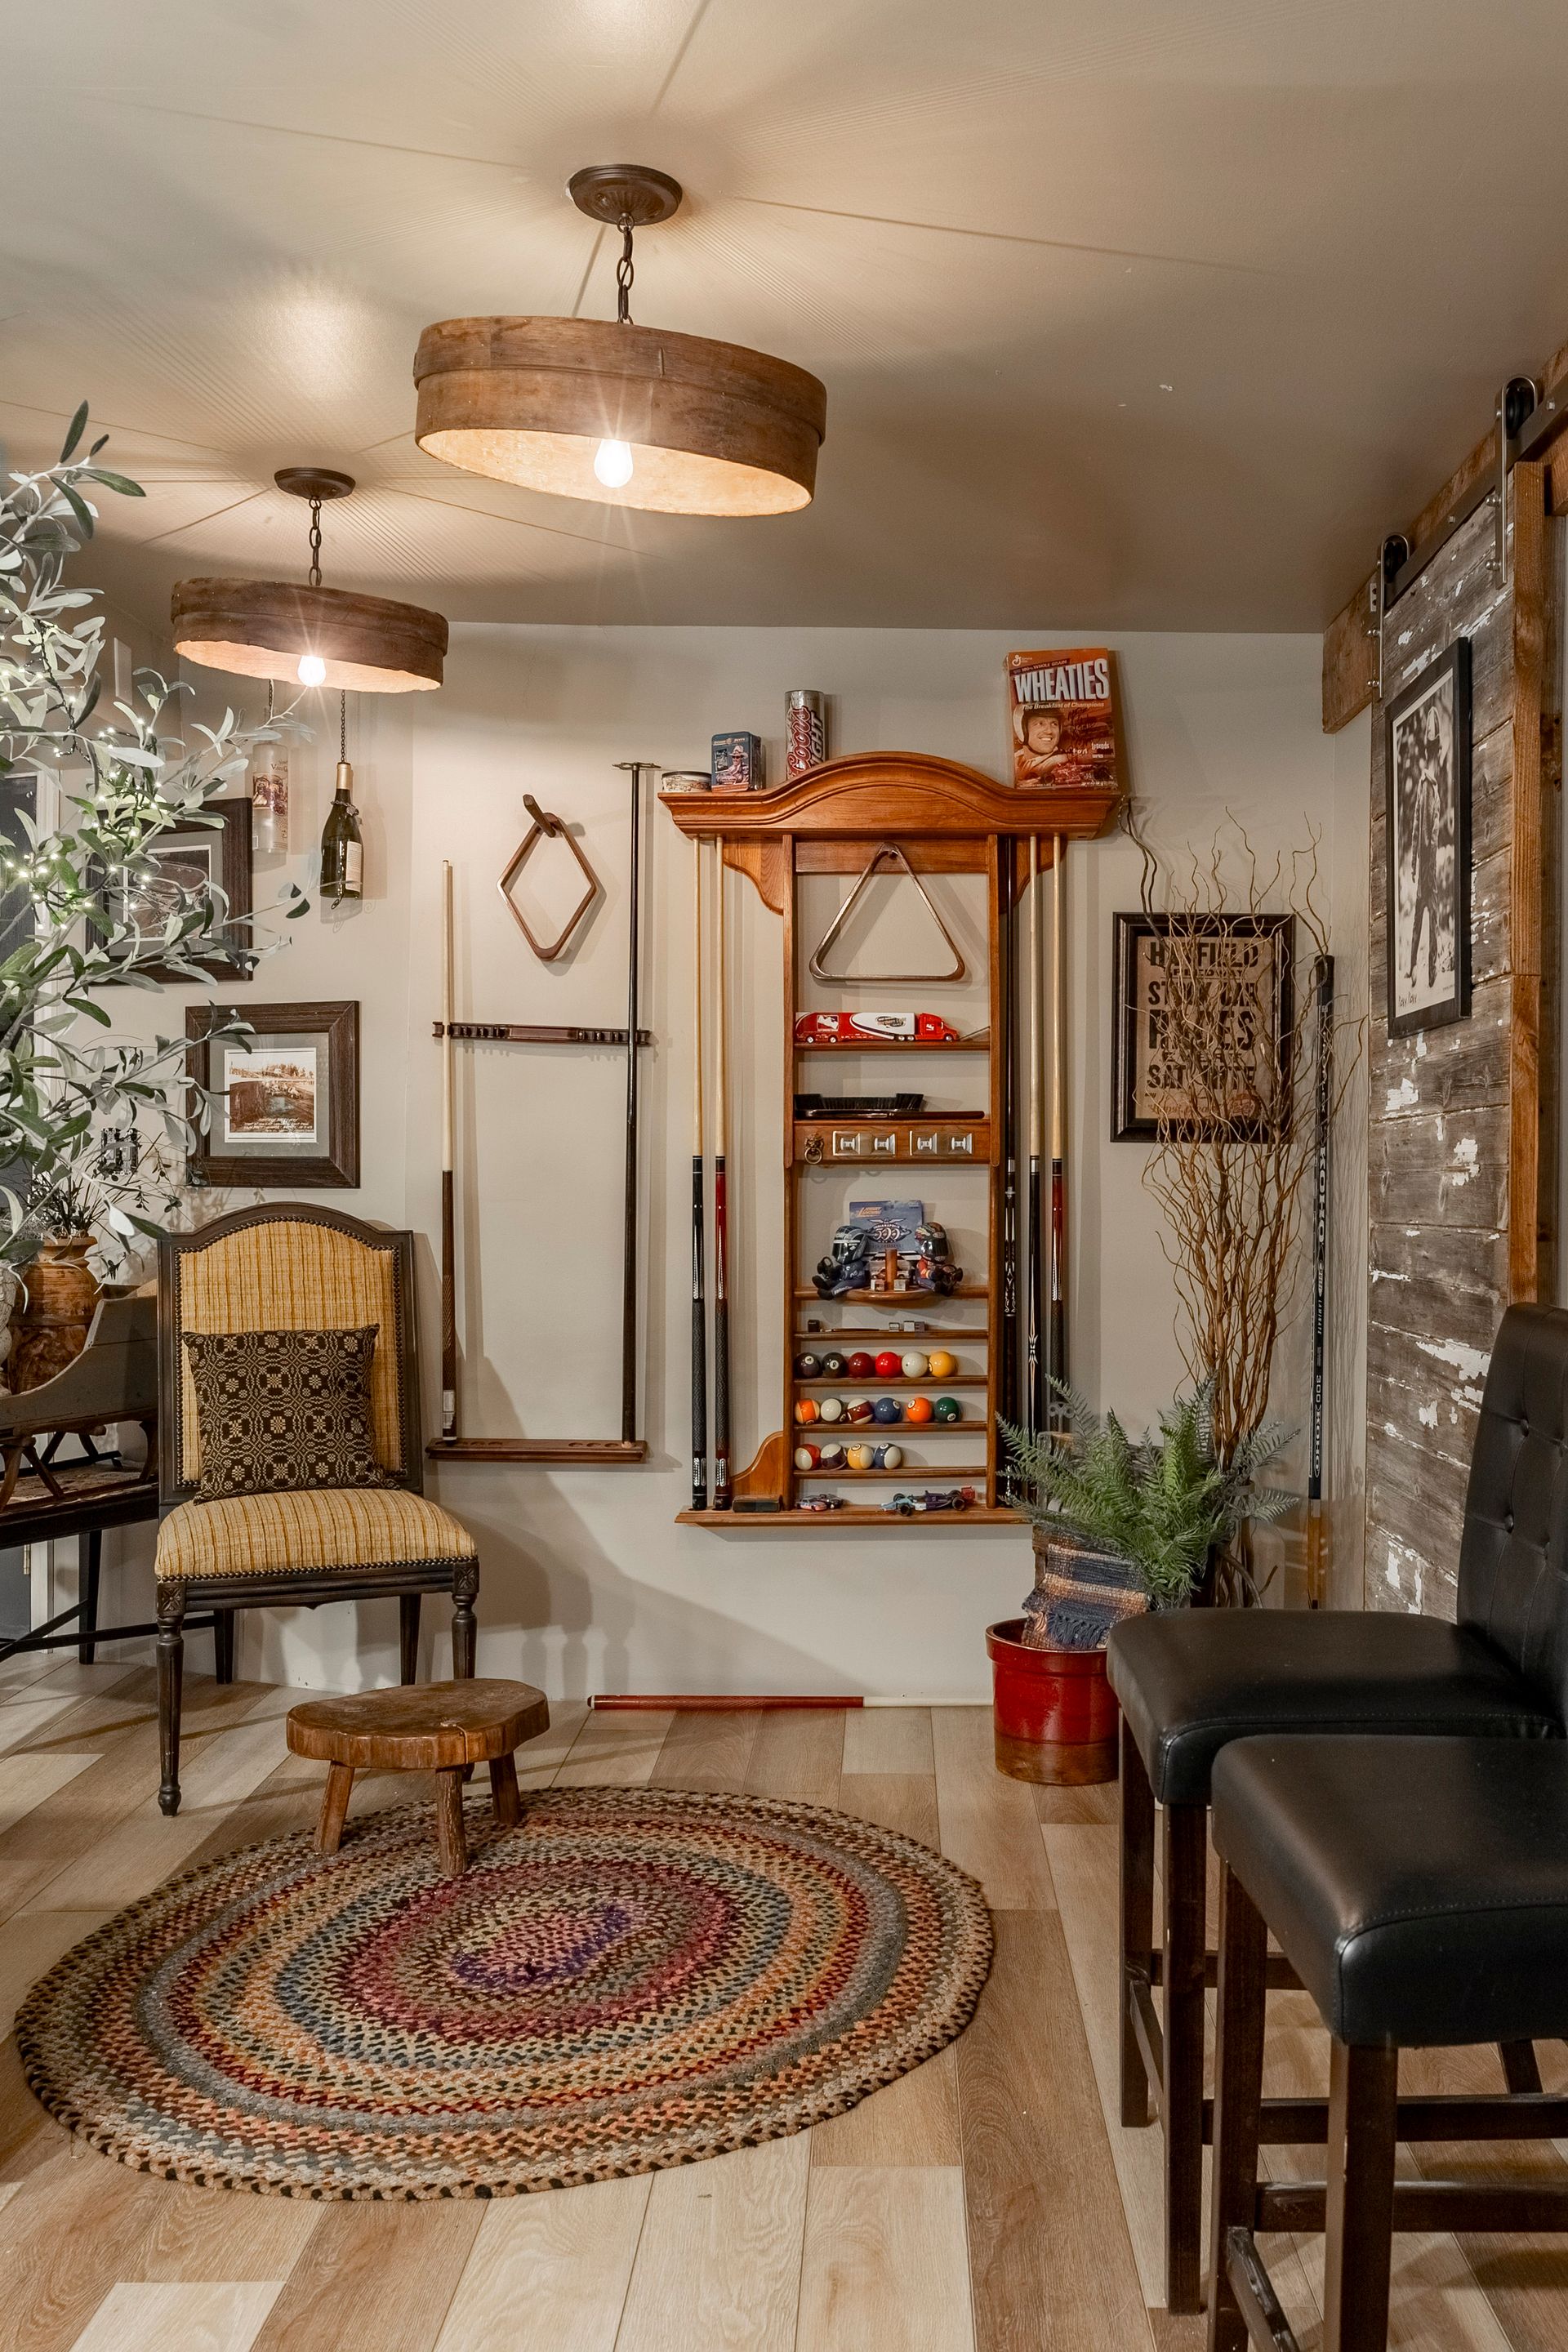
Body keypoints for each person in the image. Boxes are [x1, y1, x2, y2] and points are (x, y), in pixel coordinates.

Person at [1405, 721, 1444, 994]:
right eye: (1429, 747)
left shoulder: (1435, 781)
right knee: (1419, 919)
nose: (1431, 752)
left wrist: (1426, 860)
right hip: (1423, 862)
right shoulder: (1423, 783)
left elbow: (1435, 825)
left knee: (1433, 920)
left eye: (1434, 747)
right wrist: (1413, 863)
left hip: (1432, 864)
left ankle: (1432, 968)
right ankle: (1412, 966)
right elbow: (1418, 823)